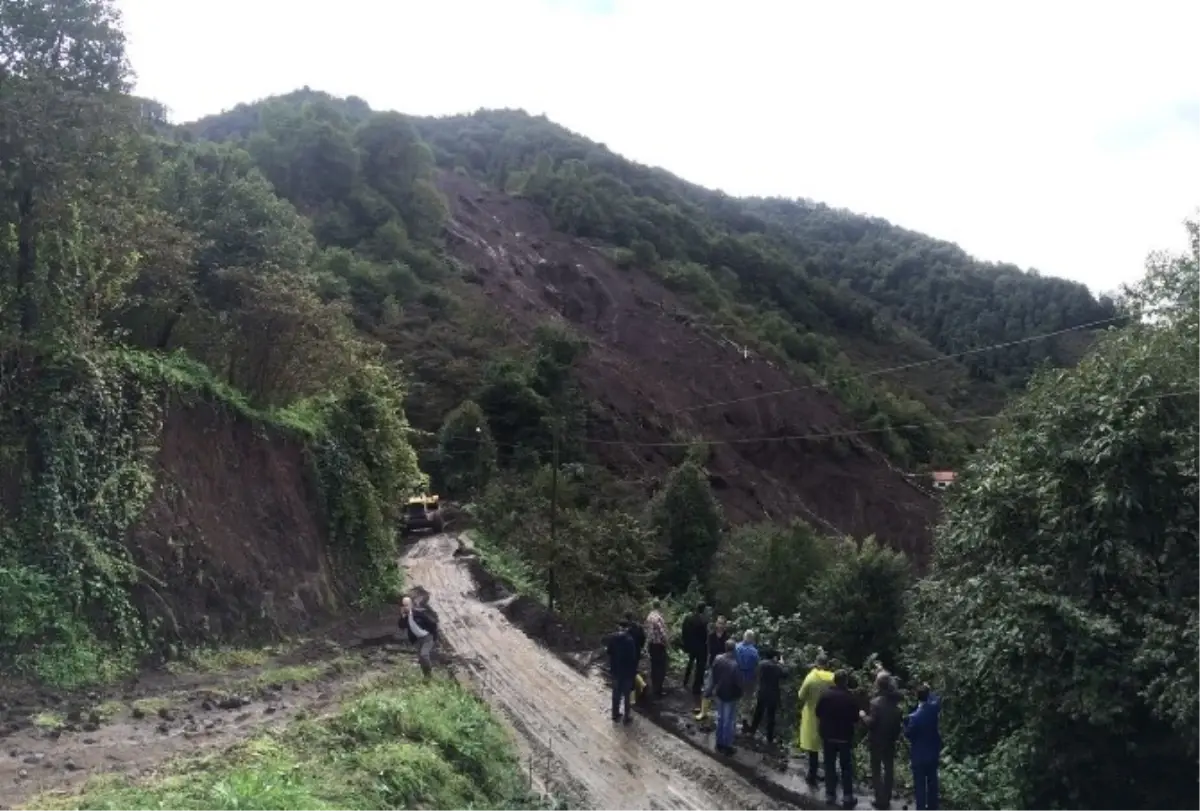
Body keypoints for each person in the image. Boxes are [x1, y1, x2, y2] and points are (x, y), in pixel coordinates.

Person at [860, 671, 903, 810]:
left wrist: (863, 716)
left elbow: (871, 723)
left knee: (877, 770)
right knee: (889, 769)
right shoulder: (896, 704)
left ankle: (880, 799)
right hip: (890, 741)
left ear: (878, 685)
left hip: (877, 741)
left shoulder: (875, 703)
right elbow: (898, 726)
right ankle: (887, 798)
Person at [816, 670, 860, 808]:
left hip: (828, 735)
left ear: (834, 680)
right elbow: (855, 718)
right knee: (846, 767)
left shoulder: (825, 695)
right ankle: (847, 796)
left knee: (829, 765)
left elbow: (817, 712)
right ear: (845, 681)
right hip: (844, 736)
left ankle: (830, 794)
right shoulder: (850, 697)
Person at [795, 652, 835, 787]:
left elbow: (801, 695)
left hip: (812, 715)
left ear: (816, 663)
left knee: (813, 748)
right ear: (827, 664)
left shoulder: (811, 678)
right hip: (829, 716)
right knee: (828, 747)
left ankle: (812, 775)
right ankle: (831, 777)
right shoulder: (832, 678)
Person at [905, 684, 942, 811]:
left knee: (920, 785)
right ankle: (933, 807)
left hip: (919, 755)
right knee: (933, 782)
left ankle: (921, 808)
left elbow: (908, 734)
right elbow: (937, 699)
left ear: (917, 697)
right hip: (932, 752)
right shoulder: (933, 709)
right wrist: (928, 690)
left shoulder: (914, 717)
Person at [747, 648, 788, 744]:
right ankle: (769, 738)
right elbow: (785, 674)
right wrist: (782, 664)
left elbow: (756, 673)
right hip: (773, 694)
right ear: (774, 657)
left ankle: (752, 731)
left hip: (762, 691)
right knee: (771, 717)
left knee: (758, 713)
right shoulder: (776, 667)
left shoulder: (761, 664)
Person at [709, 639, 743, 755]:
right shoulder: (735, 665)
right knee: (728, 720)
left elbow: (713, 674)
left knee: (720, 718)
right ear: (734, 650)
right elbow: (739, 682)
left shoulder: (718, 659)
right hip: (730, 695)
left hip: (719, 692)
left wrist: (713, 687)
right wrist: (739, 693)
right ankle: (727, 745)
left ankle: (719, 742)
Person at [695, 615, 730, 724]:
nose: (719, 625)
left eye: (722, 623)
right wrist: (707, 664)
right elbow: (709, 651)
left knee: (719, 691)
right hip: (712, 665)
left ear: (725, 626)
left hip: (723, 667)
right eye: (718, 623)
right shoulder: (711, 636)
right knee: (707, 687)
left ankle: (713, 712)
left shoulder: (727, 638)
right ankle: (703, 711)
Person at [603, 620, 638, 723]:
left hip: (615, 670)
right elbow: (633, 657)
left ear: (619, 627)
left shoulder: (613, 638)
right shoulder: (630, 640)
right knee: (628, 695)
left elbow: (609, 652)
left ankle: (615, 714)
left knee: (616, 693)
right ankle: (627, 717)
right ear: (627, 628)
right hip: (627, 672)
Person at [399, 595, 439, 680]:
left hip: (427, 637)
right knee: (421, 659)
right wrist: (402, 616)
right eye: (403, 605)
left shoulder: (419, 614)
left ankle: (429, 675)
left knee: (424, 654)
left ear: (411, 605)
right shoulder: (405, 618)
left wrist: (434, 636)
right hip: (418, 640)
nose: (405, 607)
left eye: (407, 605)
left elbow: (432, 624)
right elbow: (401, 626)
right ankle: (426, 677)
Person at [680, 602, 709, 700]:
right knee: (700, 667)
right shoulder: (703, 620)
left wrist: (686, 643)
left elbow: (684, 631)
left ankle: (685, 680)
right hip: (700, 647)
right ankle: (696, 687)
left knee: (690, 662)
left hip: (690, 645)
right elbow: (705, 636)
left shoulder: (688, 618)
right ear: (703, 609)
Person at [734, 630, 760, 723]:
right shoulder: (754, 651)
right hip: (749, 677)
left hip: (737, 675)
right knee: (747, 698)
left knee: (736, 696)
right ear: (752, 639)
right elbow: (757, 666)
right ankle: (744, 716)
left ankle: (734, 714)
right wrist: (756, 679)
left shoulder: (736, 647)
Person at [645, 600, 669, 698]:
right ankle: (658, 690)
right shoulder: (658, 618)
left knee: (654, 667)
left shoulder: (649, 616)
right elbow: (662, 633)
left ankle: (654, 688)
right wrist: (668, 644)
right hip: (659, 645)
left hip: (651, 645)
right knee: (661, 668)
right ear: (660, 607)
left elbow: (647, 631)